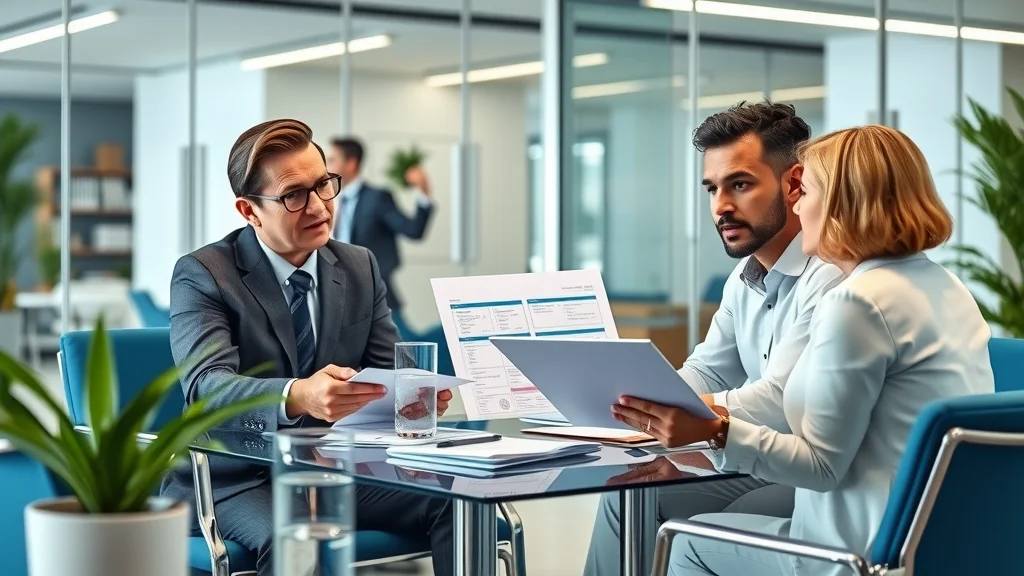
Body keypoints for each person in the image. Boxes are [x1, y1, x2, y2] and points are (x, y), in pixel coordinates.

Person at [610, 125, 995, 576]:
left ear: (842, 203)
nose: (797, 205)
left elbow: (820, 467)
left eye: (806, 191)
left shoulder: (858, 301)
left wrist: (713, 432)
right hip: (943, 537)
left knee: (688, 544)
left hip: (854, 549)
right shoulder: (945, 287)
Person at [159, 119, 455, 576]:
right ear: (250, 211)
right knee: (300, 541)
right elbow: (207, 388)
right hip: (236, 479)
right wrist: (298, 395)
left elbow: (386, 368)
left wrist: (414, 396)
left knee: (458, 503)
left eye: (324, 185)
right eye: (294, 195)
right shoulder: (204, 274)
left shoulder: (358, 265)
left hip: (335, 467)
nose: (319, 206)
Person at [584, 101, 845, 576]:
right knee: (629, 497)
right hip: (746, 453)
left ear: (794, 184)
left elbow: (779, 400)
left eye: (740, 185)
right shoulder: (743, 278)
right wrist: (643, 401)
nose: (721, 206)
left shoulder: (830, 277)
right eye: (712, 189)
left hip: (809, 469)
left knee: (701, 525)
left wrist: (685, 420)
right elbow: (707, 369)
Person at [327, 136, 434, 311]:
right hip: (339, 291)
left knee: (405, 338)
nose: (326, 167)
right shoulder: (329, 200)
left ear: (351, 163)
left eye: (331, 160)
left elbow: (414, 231)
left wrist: (424, 191)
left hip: (375, 291)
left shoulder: (377, 198)